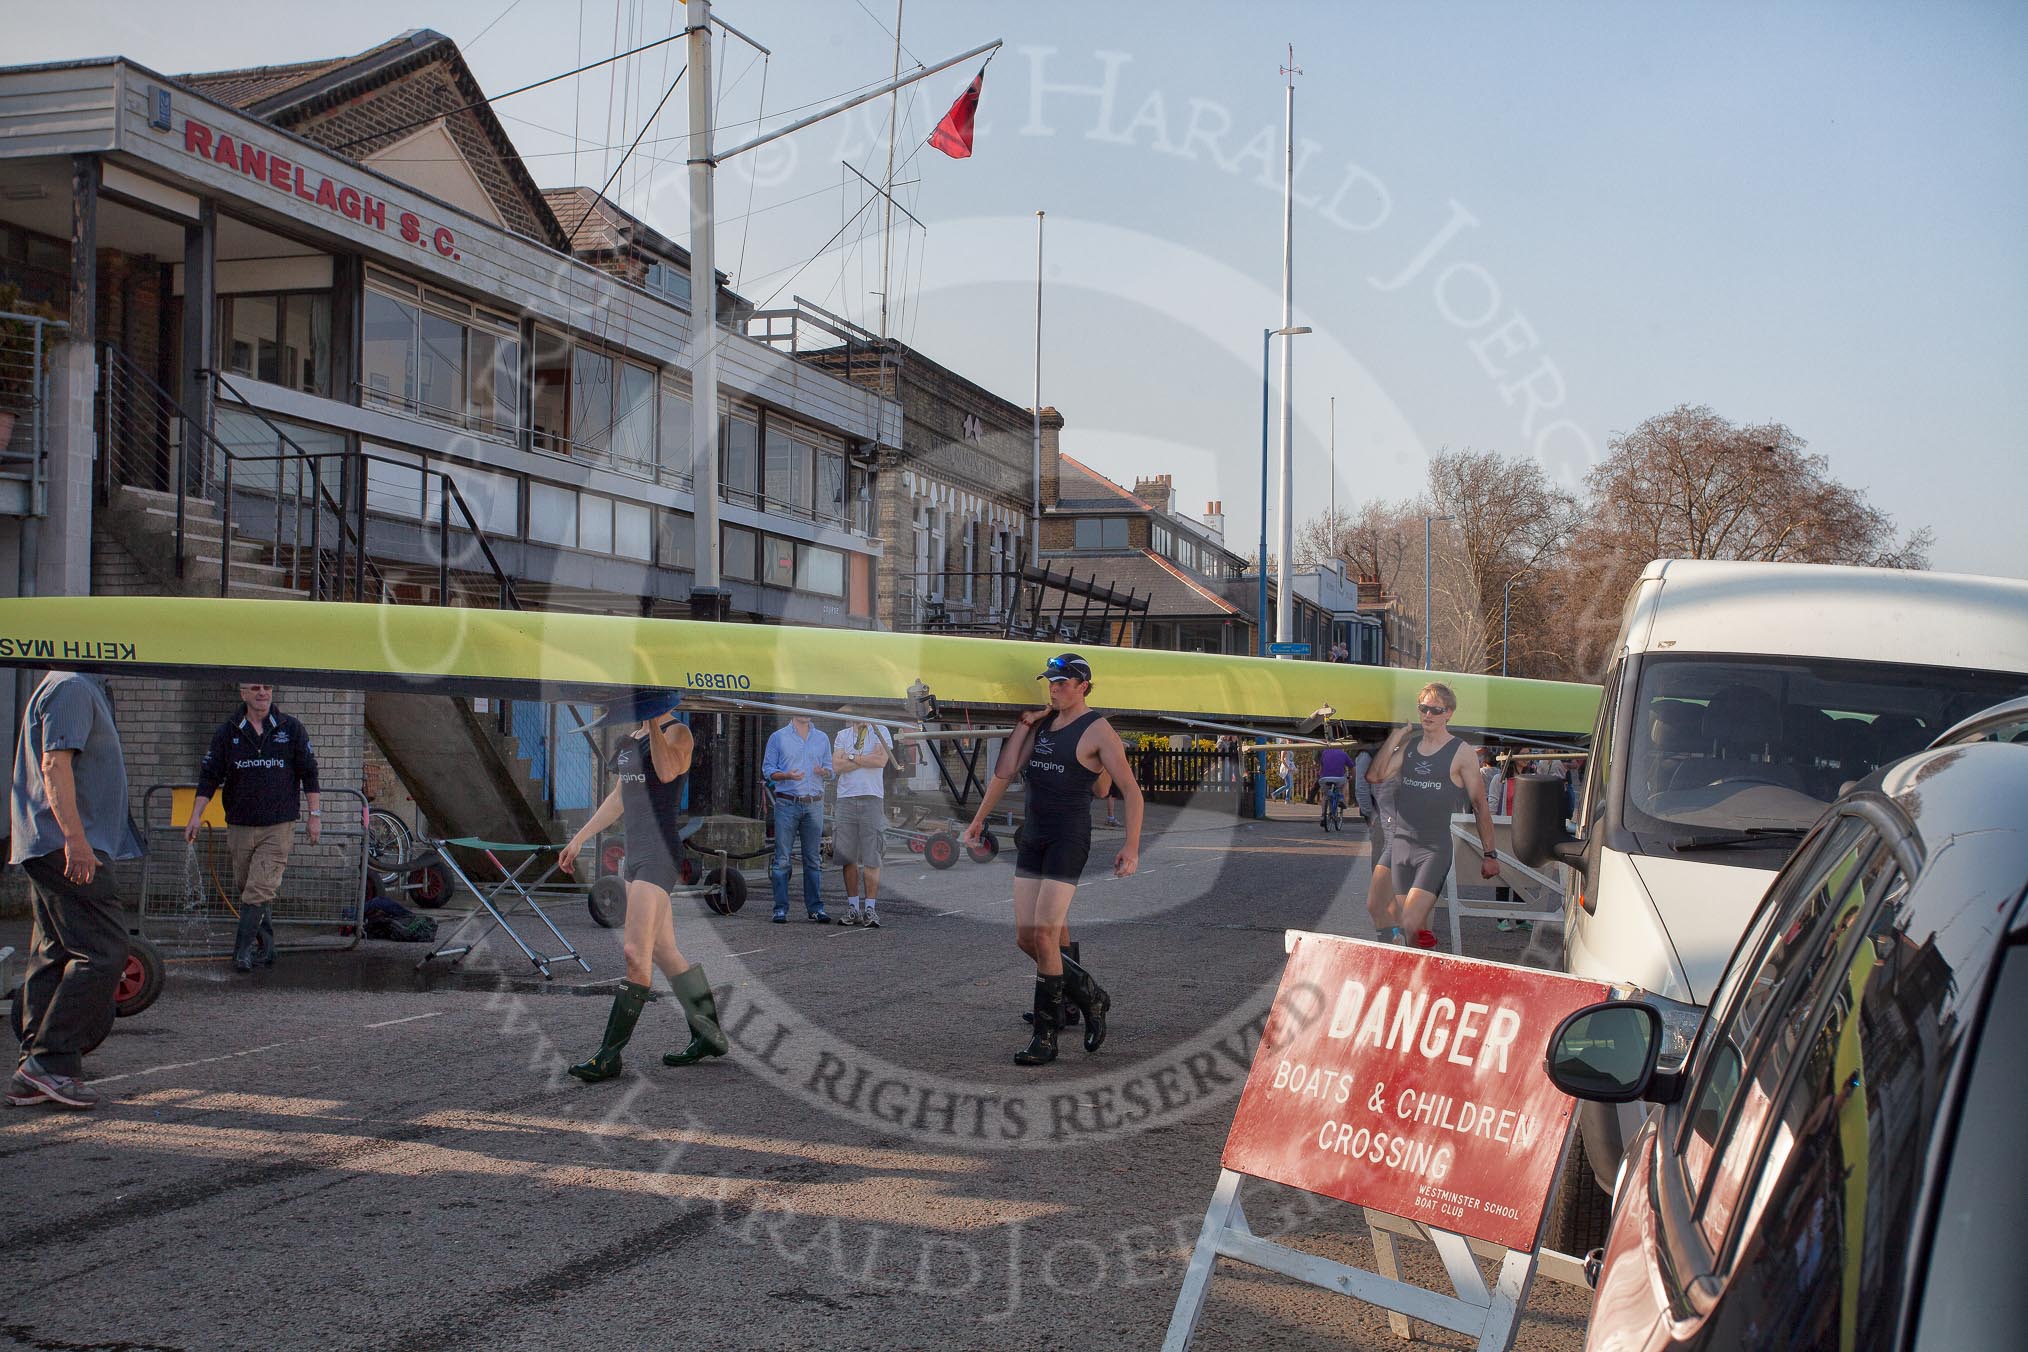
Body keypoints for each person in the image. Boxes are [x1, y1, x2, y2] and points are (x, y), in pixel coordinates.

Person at [963, 652, 1142, 1066]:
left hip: (1068, 838)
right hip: (1035, 837)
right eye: (1051, 682)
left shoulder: (1098, 730)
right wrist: (1023, 726)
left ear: (1084, 686)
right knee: (1026, 939)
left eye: (1063, 682)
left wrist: (1130, 846)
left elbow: (1128, 791)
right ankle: (1090, 996)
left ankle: (1046, 1037)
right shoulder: (1042, 724)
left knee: (1044, 935)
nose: (1054, 688)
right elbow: (1006, 771)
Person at [557, 691, 725, 1083]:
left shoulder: (679, 733)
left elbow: (668, 773)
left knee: (635, 953)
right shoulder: (630, 740)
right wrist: (579, 837)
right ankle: (709, 1036)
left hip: (659, 853)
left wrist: (653, 720)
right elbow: (618, 798)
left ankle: (608, 1057)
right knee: (665, 951)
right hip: (635, 853)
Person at [7, 671, 145, 1110]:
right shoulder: (72, 687)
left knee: (55, 952)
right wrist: (77, 842)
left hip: (54, 844)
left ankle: (35, 1068)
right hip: (68, 847)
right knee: (104, 950)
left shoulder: (78, 686)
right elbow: (55, 763)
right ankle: (49, 1062)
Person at [185, 681, 322, 972]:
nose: (263, 693)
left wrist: (315, 815)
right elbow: (209, 775)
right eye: (256, 688)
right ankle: (268, 948)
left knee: (259, 890)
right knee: (248, 887)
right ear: (243, 693)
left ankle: (241, 952)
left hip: (278, 824)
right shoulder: (228, 732)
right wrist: (195, 815)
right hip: (240, 824)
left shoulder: (291, 728)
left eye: (268, 688)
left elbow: (309, 772)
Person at [1367, 683, 1501, 949]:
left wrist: (1490, 854)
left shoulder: (1461, 752)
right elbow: (1375, 775)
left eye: (1436, 710)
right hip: (1398, 844)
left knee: (1410, 921)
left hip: (1432, 848)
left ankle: (1418, 961)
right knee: (1376, 907)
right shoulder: (1410, 747)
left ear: (1449, 713)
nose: (1428, 715)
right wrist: (1396, 737)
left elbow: (1479, 804)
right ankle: (1409, 955)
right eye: (1423, 708)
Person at [763, 713, 834, 923]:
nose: (806, 712)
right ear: (793, 713)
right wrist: (786, 776)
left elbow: (832, 771)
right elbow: (767, 770)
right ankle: (780, 909)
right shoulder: (778, 737)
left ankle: (815, 908)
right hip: (787, 803)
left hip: (814, 804)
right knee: (782, 859)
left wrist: (825, 772)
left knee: (813, 859)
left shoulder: (822, 737)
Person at [831, 713, 892, 928]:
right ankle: (853, 907)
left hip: (872, 798)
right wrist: (863, 759)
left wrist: (850, 757)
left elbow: (881, 761)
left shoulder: (880, 731)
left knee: (871, 855)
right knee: (848, 857)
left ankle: (870, 909)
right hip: (846, 799)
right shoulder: (842, 735)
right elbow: (836, 767)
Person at [1317, 743, 1352, 831]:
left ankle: (1322, 816)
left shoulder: (1324, 752)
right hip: (1339, 779)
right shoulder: (1343, 754)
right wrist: (1351, 777)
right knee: (1345, 781)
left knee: (1325, 795)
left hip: (1324, 778)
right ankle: (1341, 798)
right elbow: (1352, 767)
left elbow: (1321, 768)